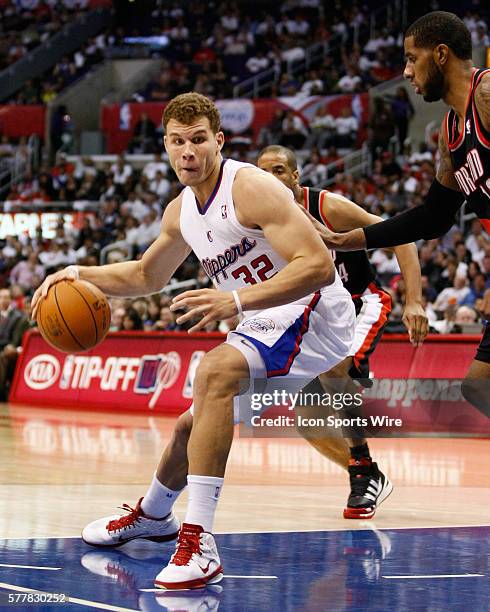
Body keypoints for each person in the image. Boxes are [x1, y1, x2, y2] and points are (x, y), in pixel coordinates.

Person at [32, 93, 356, 590]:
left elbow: (317, 266)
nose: (188, 151)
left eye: (199, 139)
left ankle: (200, 540)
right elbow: (146, 274)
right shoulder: (181, 211)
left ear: (218, 141)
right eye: (177, 142)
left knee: (213, 370)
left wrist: (238, 302)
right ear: (165, 146)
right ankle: (154, 515)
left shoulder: (251, 186)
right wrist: (73, 272)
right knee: (196, 422)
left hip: (315, 311)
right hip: (263, 317)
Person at [318, 11, 490, 417]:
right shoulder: (450, 133)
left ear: (442, 55)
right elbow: (433, 218)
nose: (407, 72)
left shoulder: (486, 95)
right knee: (478, 387)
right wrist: (351, 239)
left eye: (413, 59)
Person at [257, 145, 427, 519]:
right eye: (263, 172)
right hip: (316, 316)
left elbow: (401, 237)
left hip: (359, 302)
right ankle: (365, 473)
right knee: (306, 417)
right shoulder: (257, 223)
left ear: (295, 177)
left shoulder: (326, 207)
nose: (271, 178)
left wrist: (414, 300)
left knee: (337, 369)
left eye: (279, 170)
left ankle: (362, 464)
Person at [0, 287, 30, 401]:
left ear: (11, 300)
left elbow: (15, 340)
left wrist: (11, 347)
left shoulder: (19, 317)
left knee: (3, 357)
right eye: (1, 297)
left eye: (6, 297)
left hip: (10, 350)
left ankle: (1, 394)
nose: (3, 300)